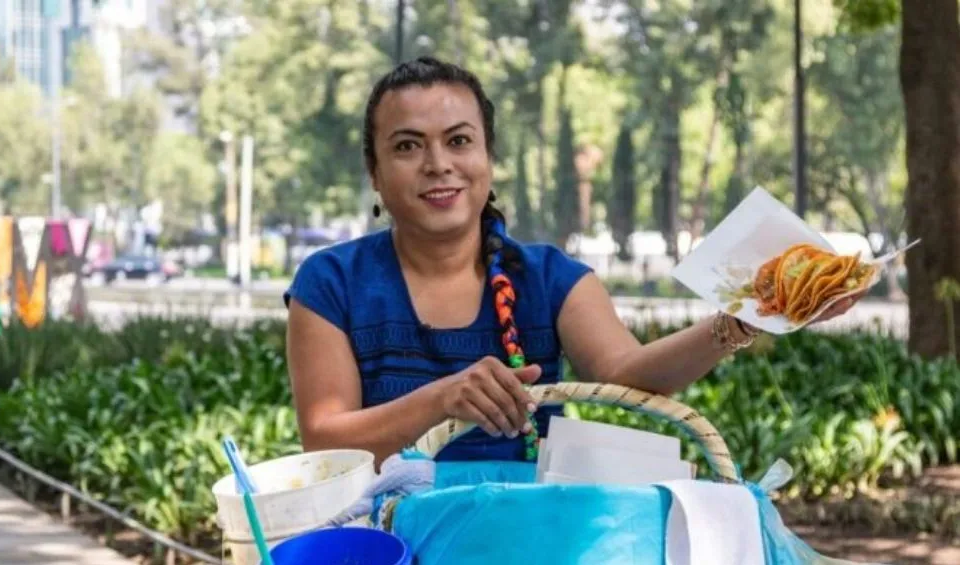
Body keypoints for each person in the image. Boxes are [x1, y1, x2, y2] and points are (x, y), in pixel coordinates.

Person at [284, 57, 857, 467]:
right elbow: (324, 442)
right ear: (375, 172)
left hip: (535, 535)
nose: (438, 163)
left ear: (488, 157)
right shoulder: (330, 282)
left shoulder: (550, 279)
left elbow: (628, 374)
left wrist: (743, 319)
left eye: (459, 141)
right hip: (382, 541)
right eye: (407, 146)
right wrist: (442, 399)